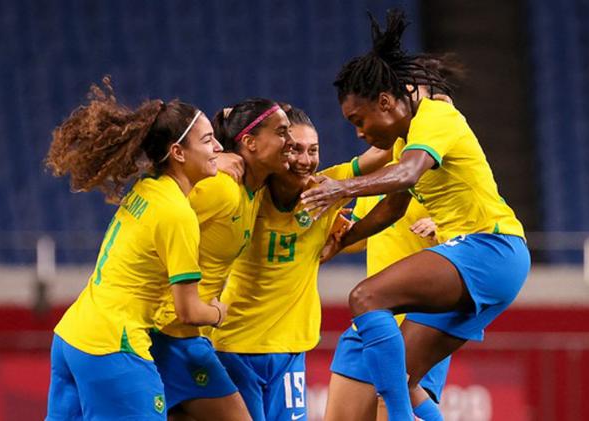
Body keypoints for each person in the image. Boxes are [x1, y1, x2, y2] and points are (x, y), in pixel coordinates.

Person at [301, 10, 530, 420]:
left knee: (366, 296)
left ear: (386, 101)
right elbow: (394, 205)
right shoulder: (411, 137)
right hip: (482, 263)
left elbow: (405, 173)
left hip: (490, 248)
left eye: (359, 120)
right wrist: (346, 239)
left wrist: (342, 188)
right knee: (401, 380)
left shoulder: (435, 118)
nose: (359, 133)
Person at [44, 77, 226, 420]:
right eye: (208, 140)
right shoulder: (178, 215)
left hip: (72, 339)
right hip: (112, 347)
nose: (218, 147)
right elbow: (188, 311)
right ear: (177, 152)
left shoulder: (148, 187)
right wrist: (218, 312)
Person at [210, 104, 392, 421]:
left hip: (291, 352)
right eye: (294, 149)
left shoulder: (329, 188)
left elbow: (387, 152)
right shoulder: (247, 192)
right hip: (235, 347)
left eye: (313, 150)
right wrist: (222, 156)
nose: (305, 160)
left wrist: (418, 113)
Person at [149, 98, 294, 420]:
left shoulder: (255, 190)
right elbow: (159, 212)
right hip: (170, 333)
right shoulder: (222, 189)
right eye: (282, 132)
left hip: (186, 334)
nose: (291, 142)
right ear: (250, 143)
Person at [326, 138, 450, 421]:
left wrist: (442, 228)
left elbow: (480, 237)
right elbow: (358, 238)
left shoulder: (446, 181)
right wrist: (337, 230)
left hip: (418, 329)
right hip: (369, 323)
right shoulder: (380, 179)